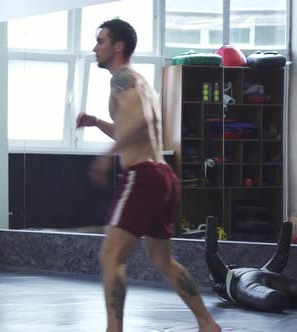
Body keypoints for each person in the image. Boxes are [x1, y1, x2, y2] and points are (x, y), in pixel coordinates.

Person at [76, 19, 221, 332]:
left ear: (118, 46)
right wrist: (98, 122)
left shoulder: (121, 80)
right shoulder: (139, 81)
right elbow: (135, 128)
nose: (94, 48)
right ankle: (207, 324)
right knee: (162, 260)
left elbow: (140, 123)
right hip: (163, 176)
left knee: (111, 256)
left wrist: (106, 156)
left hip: (142, 177)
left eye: (100, 41)